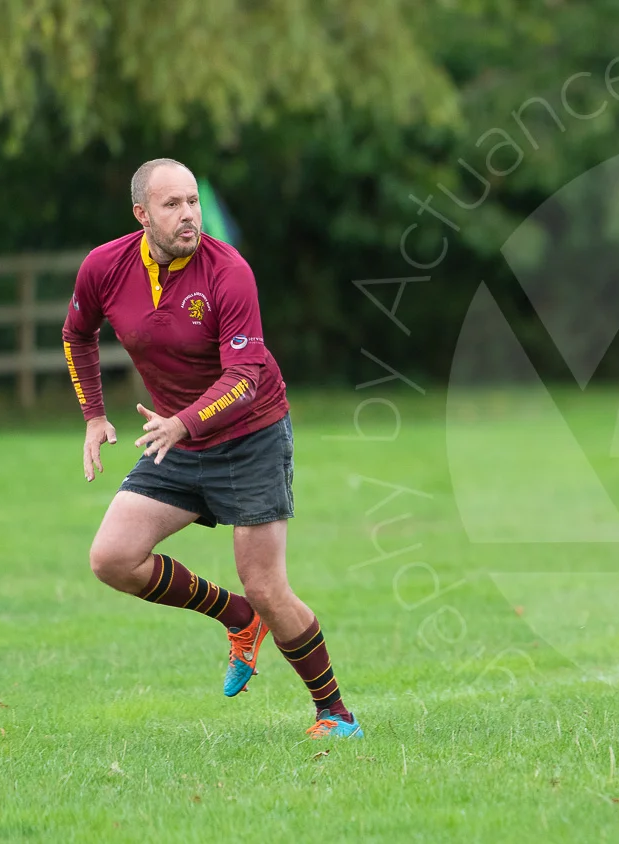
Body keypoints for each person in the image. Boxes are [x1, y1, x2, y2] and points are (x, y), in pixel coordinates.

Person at [63, 158, 360, 739]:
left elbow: (247, 374)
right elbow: (78, 334)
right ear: (141, 214)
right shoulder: (104, 266)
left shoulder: (229, 271)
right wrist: (94, 415)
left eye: (193, 202)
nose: (189, 216)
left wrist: (182, 424)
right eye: (172, 205)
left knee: (268, 586)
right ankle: (235, 618)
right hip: (178, 439)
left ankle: (335, 715)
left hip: (250, 436)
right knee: (113, 558)